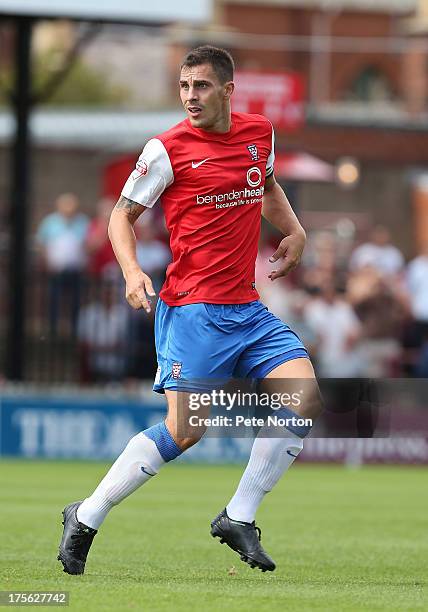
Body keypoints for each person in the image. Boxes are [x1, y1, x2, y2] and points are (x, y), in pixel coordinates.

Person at [58, 45, 322, 575]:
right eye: (183, 86)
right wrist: (133, 272)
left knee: (304, 396)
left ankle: (238, 515)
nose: (190, 96)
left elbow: (264, 186)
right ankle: (86, 515)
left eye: (201, 86)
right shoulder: (166, 149)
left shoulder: (258, 134)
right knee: (186, 428)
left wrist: (293, 230)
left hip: (246, 308)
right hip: (194, 310)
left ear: (228, 90)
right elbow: (120, 217)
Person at [36, 193, 89, 336]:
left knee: (76, 301)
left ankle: (74, 330)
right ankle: (52, 330)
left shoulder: (82, 222)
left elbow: (87, 244)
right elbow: (41, 244)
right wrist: (46, 261)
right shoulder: (50, 222)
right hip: (56, 270)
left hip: (76, 269)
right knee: (54, 300)